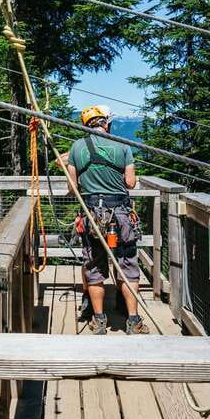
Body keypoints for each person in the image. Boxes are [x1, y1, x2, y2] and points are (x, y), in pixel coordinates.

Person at [66, 104, 149, 335]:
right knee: (128, 267)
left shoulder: (77, 147)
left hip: (92, 215)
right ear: (106, 123)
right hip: (120, 214)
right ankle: (133, 321)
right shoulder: (123, 146)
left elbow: (72, 187)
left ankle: (99, 320)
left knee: (94, 268)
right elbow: (130, 183)